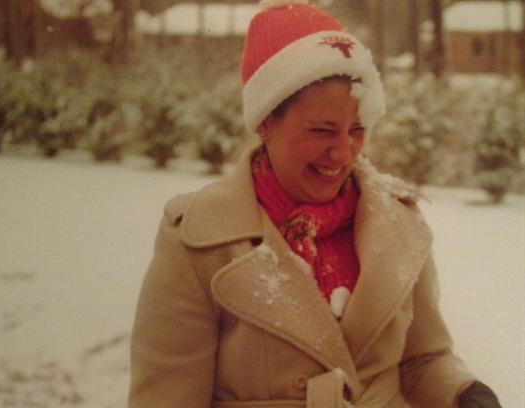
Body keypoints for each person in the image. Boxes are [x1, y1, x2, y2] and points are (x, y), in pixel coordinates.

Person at [128, 1, 502, 407]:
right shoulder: (198, 240)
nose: (343, 152)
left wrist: (463, 393)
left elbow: (421, 360)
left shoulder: (398, 223)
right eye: (322, 130)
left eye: (356, 129)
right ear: (265, 122)